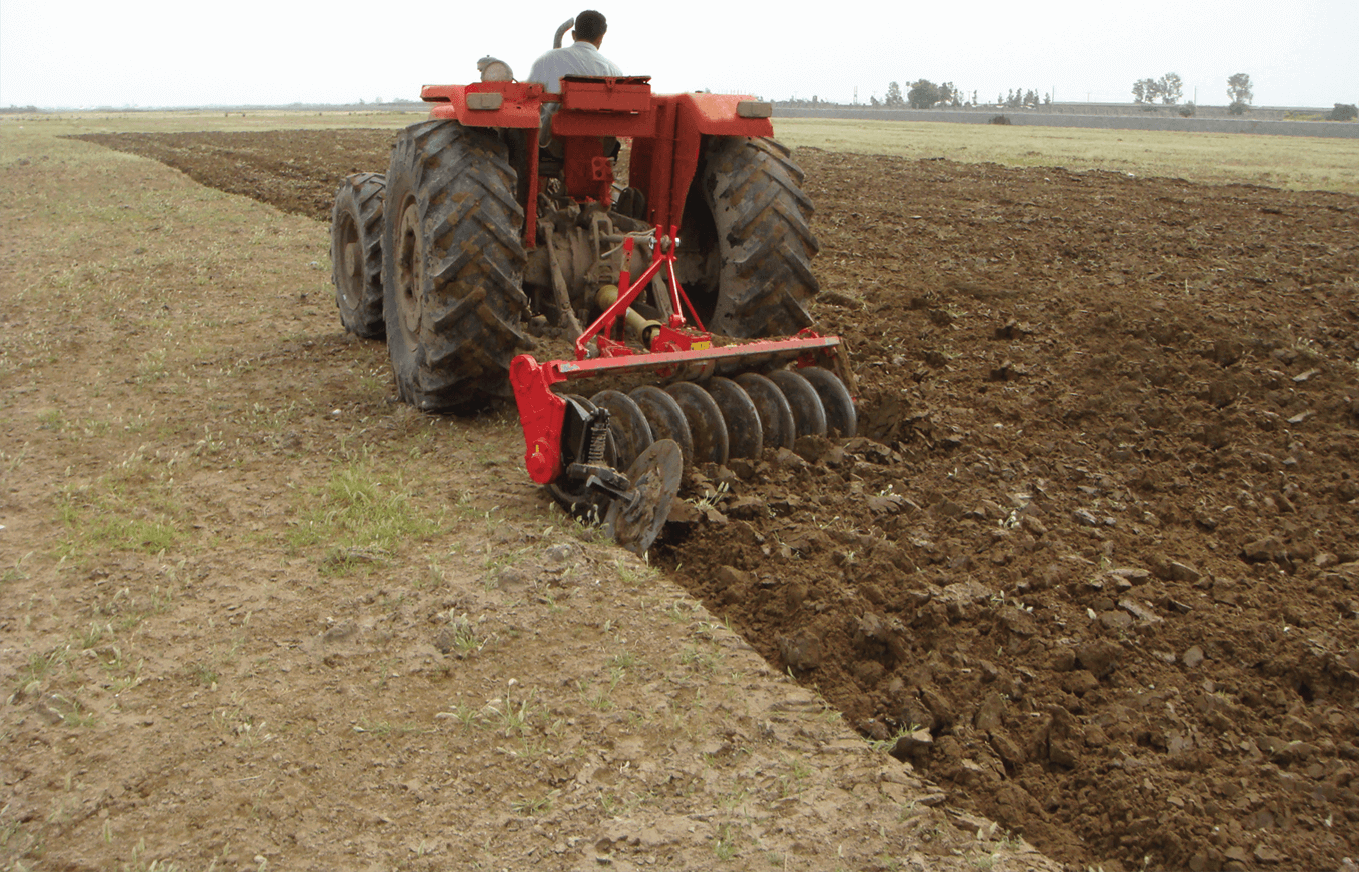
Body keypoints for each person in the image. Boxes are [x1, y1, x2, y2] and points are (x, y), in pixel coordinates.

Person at [526, 10, 623, 93]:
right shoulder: (614, 71)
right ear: (600, 38)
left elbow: (527, 94)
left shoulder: (546, 59)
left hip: (552, 115)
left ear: (573, 35)